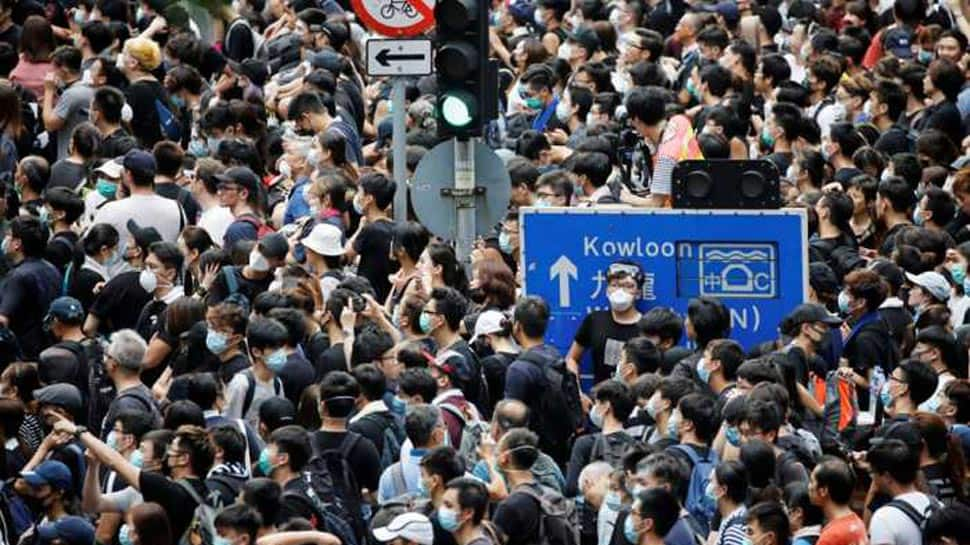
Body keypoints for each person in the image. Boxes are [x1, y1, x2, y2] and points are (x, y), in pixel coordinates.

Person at [567, 262, 644, 382]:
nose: (620, 291)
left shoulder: (647, 327)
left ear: (639, 292)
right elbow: (572, 359)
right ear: (607, 289)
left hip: (634, 398)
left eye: (628, 286)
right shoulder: (595, 320)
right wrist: (577, 392)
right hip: (600, 398)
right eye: (615, 285)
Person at [0, 216, 62, 359]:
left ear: (17, 244)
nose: (6, 240)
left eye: (9, 236)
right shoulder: (51, 269)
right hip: (48, 349)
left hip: (23, 355)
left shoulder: (18, 277)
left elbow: (2, 320)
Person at [868, 438, 938, 545]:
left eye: (873, 472)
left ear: (887, 477)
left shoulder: (884, 518)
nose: (873, 478)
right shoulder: (936, 504)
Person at [346, 172, 398, 302]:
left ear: (369, 199)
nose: (357, 197)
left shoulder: (370, 230)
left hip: (369, 297)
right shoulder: (397, 228)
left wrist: (359, 229)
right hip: (387, 296)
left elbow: (346, 256)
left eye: (360, 192)